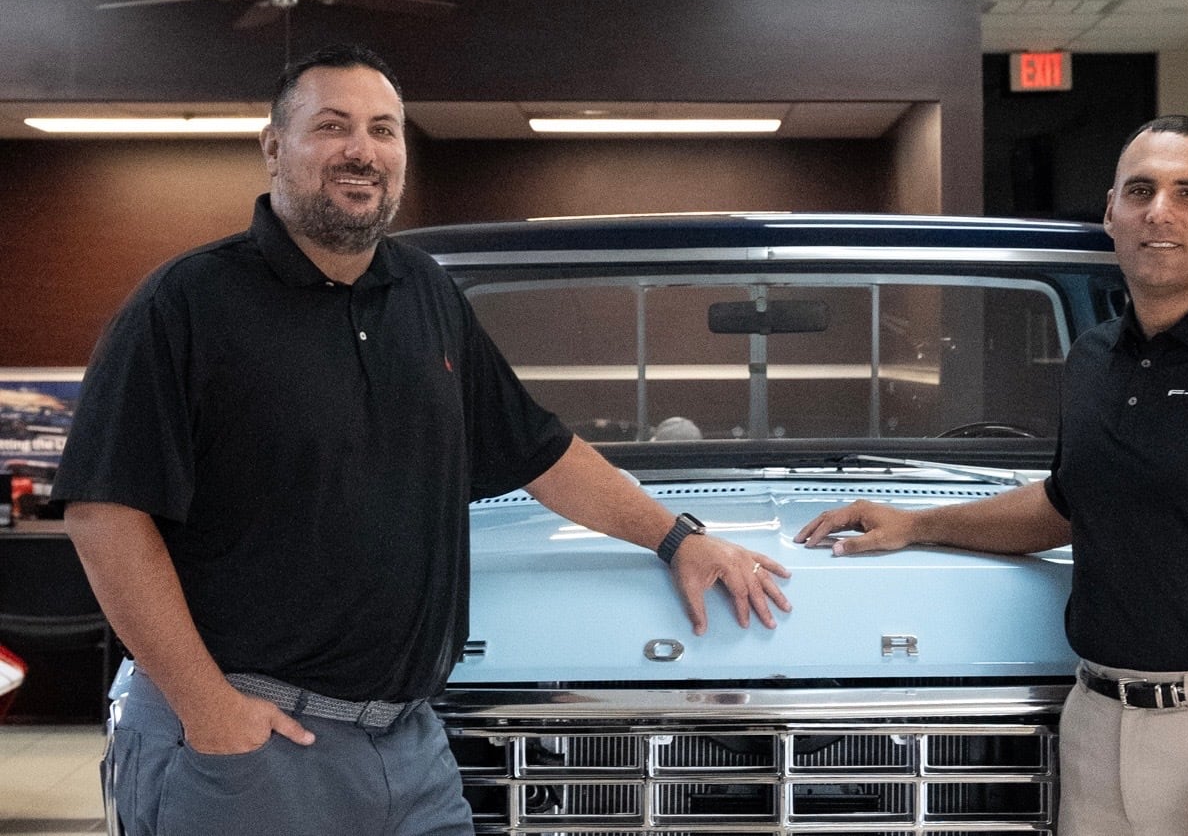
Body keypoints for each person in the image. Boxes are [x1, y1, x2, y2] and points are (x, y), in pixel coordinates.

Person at [53, 43, 790, 836]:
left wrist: (677, 538)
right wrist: (210, 710)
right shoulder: (186, 303)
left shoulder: (426, 292)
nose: (360, 151)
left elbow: (538, 451)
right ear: (273, 147)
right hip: (255, 748)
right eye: (332, 127)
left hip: (411, 747)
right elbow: (104, 513)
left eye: (383, 130)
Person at [796, 115, 1188, 836]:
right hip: (1096, 727)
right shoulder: (1095, 359)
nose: (1159, 212)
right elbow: (1067, 505)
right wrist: (918, 524)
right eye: (1140, 191)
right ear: (1111, 212)